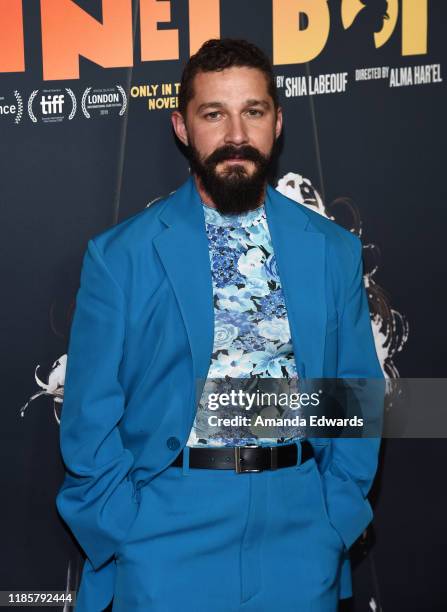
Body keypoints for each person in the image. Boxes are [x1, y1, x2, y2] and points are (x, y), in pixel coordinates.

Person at [55, 38, 384, 611]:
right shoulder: (121, 256)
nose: (236, 135)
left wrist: (336, 514)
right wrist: (126, 525)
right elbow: (88, 415)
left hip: (301, 528)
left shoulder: (333, 251)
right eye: (214, 114)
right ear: (182, 127)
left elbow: (356, 393)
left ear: (277, 122)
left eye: (252, 111)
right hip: (165, 528)